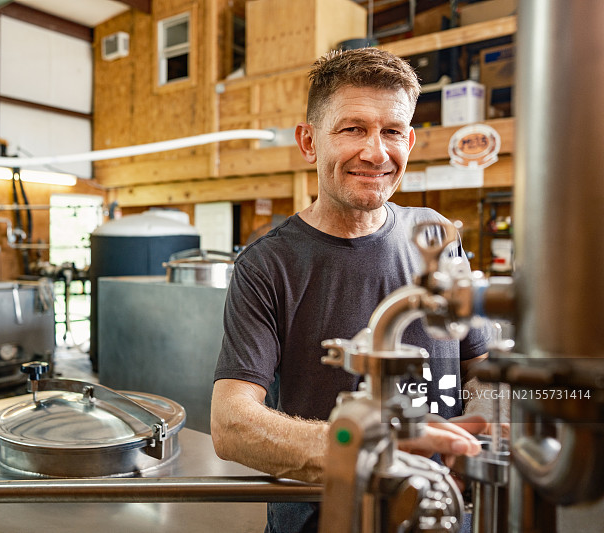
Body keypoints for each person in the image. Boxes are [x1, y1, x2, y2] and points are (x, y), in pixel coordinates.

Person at [210, 47, 496, 533]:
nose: (375, 152)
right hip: (322, 520)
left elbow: (481, 367)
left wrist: (480, 431)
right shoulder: (268, 264)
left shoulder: (436, 235)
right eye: (352, 129)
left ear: (409, 139)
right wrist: (372, 449)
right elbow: (232, 425)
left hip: (443, 515)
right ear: (309, 141)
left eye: (391, 132)